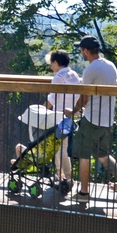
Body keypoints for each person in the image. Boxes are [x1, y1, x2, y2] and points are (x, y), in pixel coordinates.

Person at [67, 36, 117, 204]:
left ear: (86, 51)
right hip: (107, 120)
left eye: (81, 50)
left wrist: (73, 111)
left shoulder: (90, 70)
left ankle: (84, 193)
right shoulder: (110, 66)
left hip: (92, 119)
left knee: (84, 155)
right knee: (103, 155)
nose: (81, 53)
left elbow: (84, 97)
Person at [45, 50, 81, 182]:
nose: (51, 66)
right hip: (72, 114)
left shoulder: (58, 77)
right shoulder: (74, 74)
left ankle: (66, 176)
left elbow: (52, 99)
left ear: (56, 62)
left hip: (60, 115)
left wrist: (42, 110)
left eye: (51, 63)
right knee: (61, 146)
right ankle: (61, 174)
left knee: (59, 147)